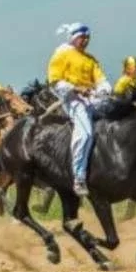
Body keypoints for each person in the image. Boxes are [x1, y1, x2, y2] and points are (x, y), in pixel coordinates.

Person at [48, 22, 110, 197]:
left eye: (88, 37)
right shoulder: (62, 54)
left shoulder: (91, 59)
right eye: (82, 37)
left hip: (93, 99)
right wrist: (76, 89)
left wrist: (104, 89)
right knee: (85, 134)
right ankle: (79, 177)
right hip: (72, 100)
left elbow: (101, 79)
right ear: (74, 37)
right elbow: (54, 80)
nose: (86, 40)